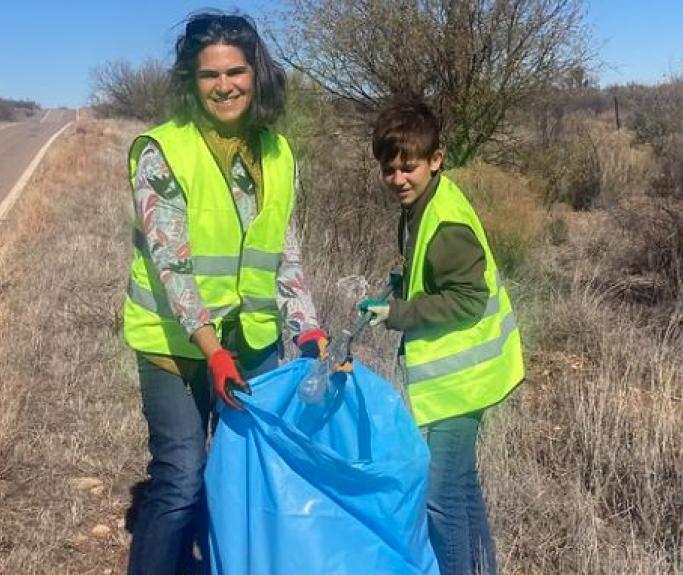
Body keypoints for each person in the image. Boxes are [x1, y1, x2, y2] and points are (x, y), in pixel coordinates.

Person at [122, 11, 328, 574]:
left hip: (254, 340)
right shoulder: (162, 150)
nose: (225, 86)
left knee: (241, 473)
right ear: (190, 79)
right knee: (182, 475)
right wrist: (212, 350)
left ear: (257, 73)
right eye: (209, 75)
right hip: (178, 345)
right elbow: (174, 267)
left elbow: (284, 251)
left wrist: (305, 326)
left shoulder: (278, 153)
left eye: (236, 71)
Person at [359, 99, 525, 575]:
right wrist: (402, 284)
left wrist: (399, 313)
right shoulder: (424, 204)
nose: (398, 179)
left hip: (465, 380)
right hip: (464, 378)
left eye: (408, 167)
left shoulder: (446, 221)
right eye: (389, 170)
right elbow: (434, 276)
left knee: (440, 497)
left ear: (436, 159)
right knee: (462, 486)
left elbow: (468, 299)